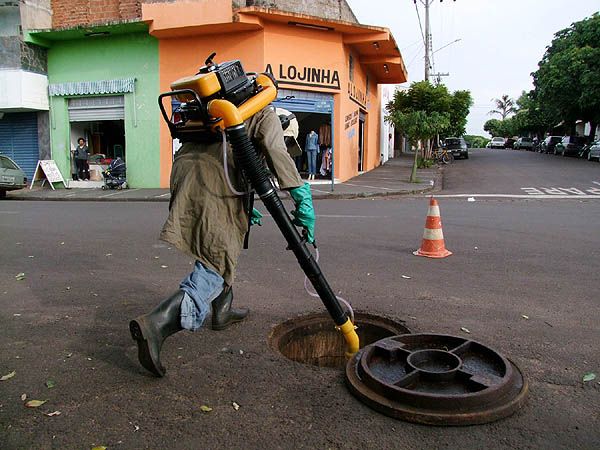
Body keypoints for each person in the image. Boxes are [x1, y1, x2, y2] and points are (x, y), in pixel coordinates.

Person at [129, 105, 316, 377]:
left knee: (217, 240)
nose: (286, 145)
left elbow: (242, 162)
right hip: (213, 182)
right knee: (217, 256)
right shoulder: (267, 115)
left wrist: (243, 202)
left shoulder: (228, 116)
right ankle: (157, 324)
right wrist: (301, 197)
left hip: (187, 172)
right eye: (288, 140)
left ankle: (222, 310)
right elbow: (275, 151)